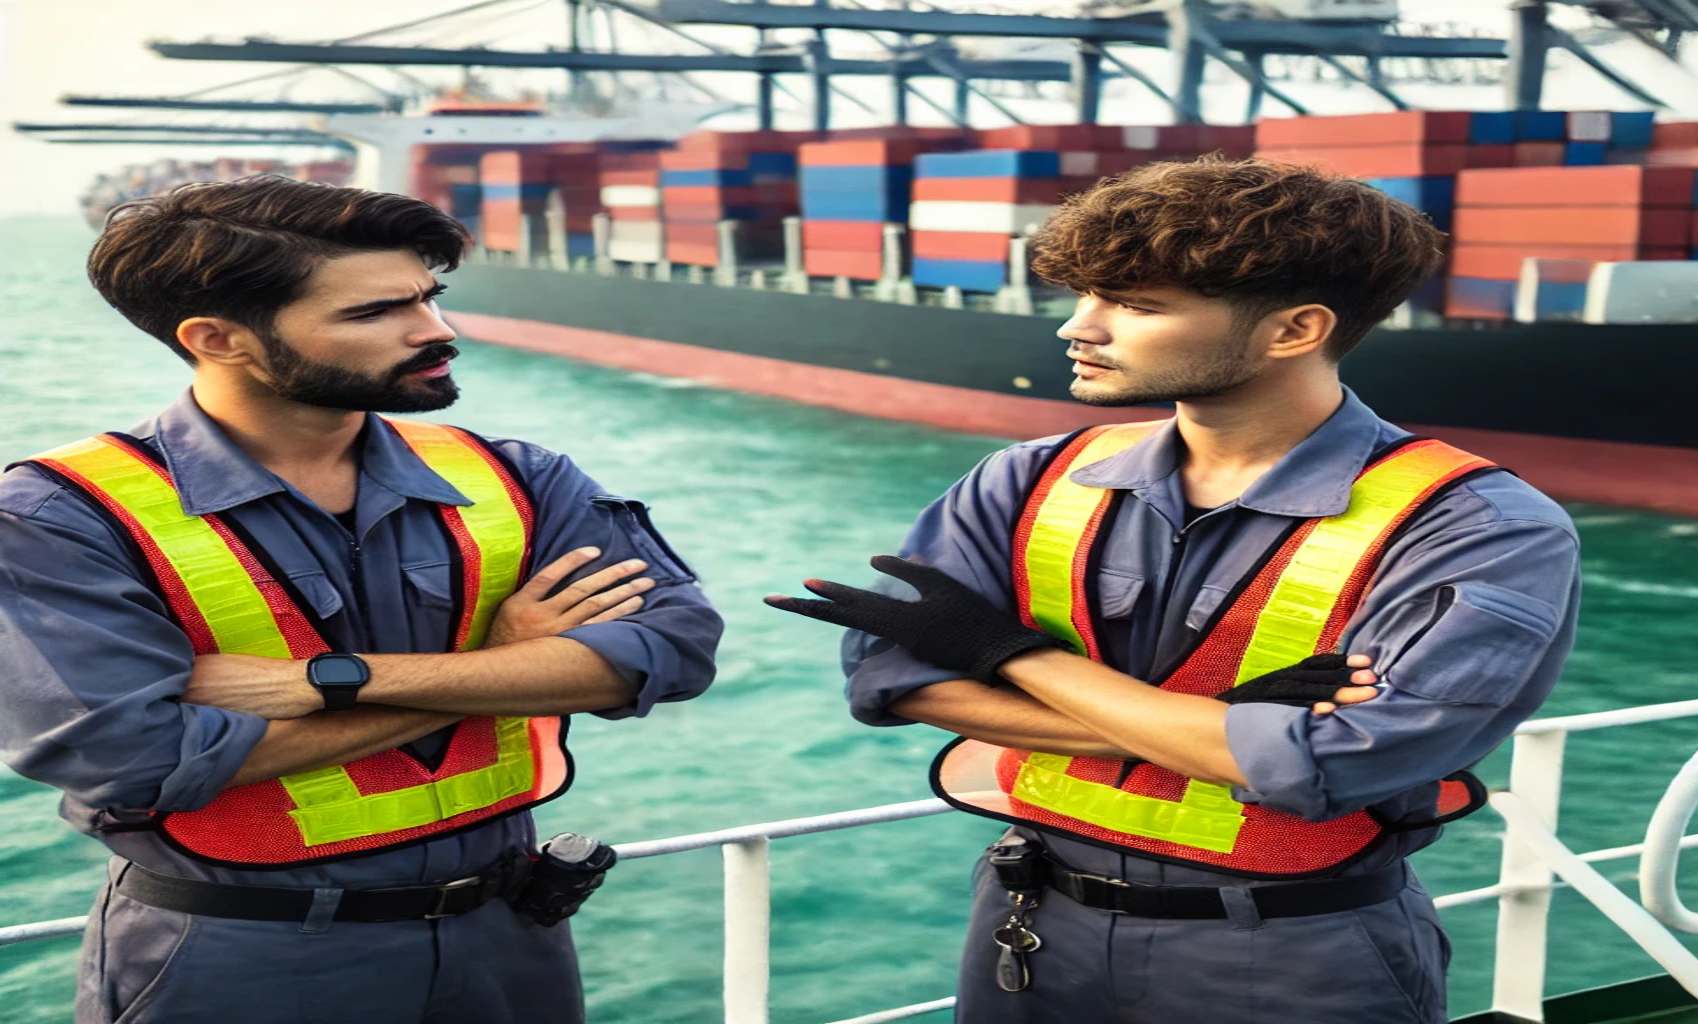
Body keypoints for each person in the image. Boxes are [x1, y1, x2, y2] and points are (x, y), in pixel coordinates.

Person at [769, 158, 1581, 1023]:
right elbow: (897, 682)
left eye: (1137, 305)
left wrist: (1008, 655)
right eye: (1085, 296)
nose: (1078, 329)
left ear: (1294, 329)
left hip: (1294, 959)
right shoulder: (1030, 478)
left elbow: (1339, 762)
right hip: (1029, 924)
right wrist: (1227, 727)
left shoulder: (1481, 527)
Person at [0, 175, 722, 1024]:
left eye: (431, 296)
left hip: (510, 937)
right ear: (218, 339)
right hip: (241, 960)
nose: (437, 331)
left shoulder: (516, 474)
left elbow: (673, 651)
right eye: (375, 313)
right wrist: (504, 667)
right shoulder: (59, 518)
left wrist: (336, 679)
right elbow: (138, 760)